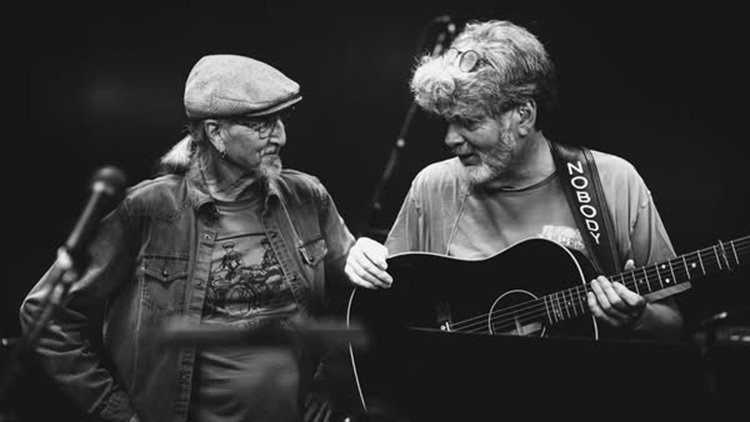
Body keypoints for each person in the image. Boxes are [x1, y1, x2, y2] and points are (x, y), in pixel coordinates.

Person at [19, 54, 356, 422]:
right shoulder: (148, 210)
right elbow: (45, 315)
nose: (280, 136)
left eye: (281, 120)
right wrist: (118, 412)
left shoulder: (307, 197)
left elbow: (353, 298)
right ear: (215, 133)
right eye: (261, 124)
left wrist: (332, 376)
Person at [345, 19, 684, 340]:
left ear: (524, 115)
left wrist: (639, 317)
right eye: (448, 121)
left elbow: (674, 325)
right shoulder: (433, 186)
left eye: (469, 122)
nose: (450, 139)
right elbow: (387, 308)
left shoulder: (613, 182)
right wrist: (363, 263)